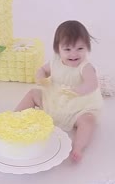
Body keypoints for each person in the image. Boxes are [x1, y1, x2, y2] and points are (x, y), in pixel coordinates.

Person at [14, 20, 104, 162]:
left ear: (87, 47)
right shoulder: (55, 61)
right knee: (33, 93)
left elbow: (92, 84)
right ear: (58, 49)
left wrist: (77, 91)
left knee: (88, 121)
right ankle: (14, 117)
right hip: (55, 99)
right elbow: (42, 70)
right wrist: (41, 78)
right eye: (67, 49)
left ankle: (78, 147)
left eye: (80, 49)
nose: (73, 54)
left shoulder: (85, 67)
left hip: (78, 104)